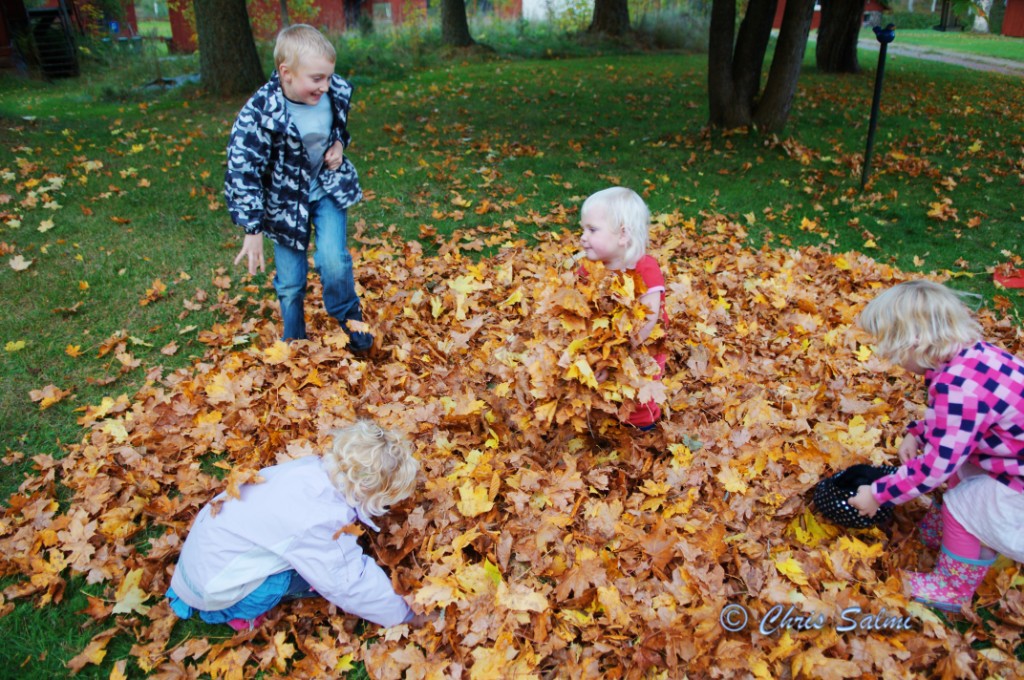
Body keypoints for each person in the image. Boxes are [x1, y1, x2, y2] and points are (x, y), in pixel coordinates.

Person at [848, 280, 1024, 612]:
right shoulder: (971, 357)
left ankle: (953, 588)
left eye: (893, 353)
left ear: (912, 343)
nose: (896, 363)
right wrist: (919, 432)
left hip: (1018, 483)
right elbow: (958, 425)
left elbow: (933, 468)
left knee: (965, 505)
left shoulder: (957, 385)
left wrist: (878, 494)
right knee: (960, 474)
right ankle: (953, 535)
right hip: (1010, 455)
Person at [166, 420, 421, 630]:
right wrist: (405, 615)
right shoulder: (319, 520)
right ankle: (240, 613)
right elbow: (347, 582)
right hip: (215, 592)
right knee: (312, 579)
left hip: (203, 562)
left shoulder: (308, 470)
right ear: (367, 490)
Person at [227, 24, 372, 353]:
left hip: (325, 190)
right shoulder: (260, 114)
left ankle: (352, 323)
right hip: (285, 205)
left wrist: (338, 145)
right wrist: (252, 228)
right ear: (286, 72)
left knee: (333, 260)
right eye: (316, 78)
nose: (325, 86)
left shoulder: (331, 94)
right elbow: (243, 168)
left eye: (328, 77)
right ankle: (293, 337)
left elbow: (337, 128)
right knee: (291, 281)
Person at [578, 187, 670, 430]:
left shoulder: (645, 269)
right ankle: (604, 417)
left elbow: (649, 320)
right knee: (600, 387)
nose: (583, 237)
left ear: (622, 235)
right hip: (605, 339)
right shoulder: (591, 268)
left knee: (639, 393)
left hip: (642, 346)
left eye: (592, 230)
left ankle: (644, 428)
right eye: (583, 229)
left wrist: (618, 355)